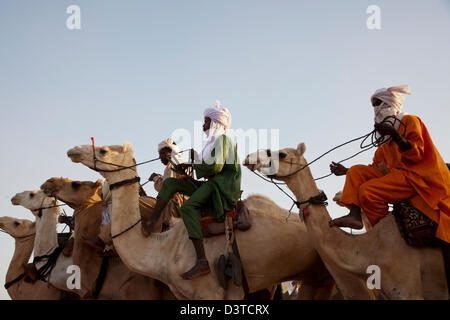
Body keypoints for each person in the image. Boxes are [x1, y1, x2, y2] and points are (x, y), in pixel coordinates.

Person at [329, 85, 450, 244]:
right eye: (373, 106)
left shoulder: (410, 121)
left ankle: (384, 232)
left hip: (417, 177)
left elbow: (416, 154)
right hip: (397, 176)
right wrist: (347, 171)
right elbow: (376, 167)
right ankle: (355, 215)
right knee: (356, 171)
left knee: (368, 191)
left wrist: (395, 135)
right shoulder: (384, 140)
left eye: (379, 104)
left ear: (390, 105)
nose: (376, 110)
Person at [141, 101, 242, 280]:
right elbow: (208, 168)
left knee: (188, 208)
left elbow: (216, 167)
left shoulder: (223, 140)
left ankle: (202, 261)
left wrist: (193, 164)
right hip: (213, 182)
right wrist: (188, 167)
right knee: (170, 183)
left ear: (215, 122)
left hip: (222, 187)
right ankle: (151, 222)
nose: (203, 125)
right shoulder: (211, 142)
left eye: (206, 121)